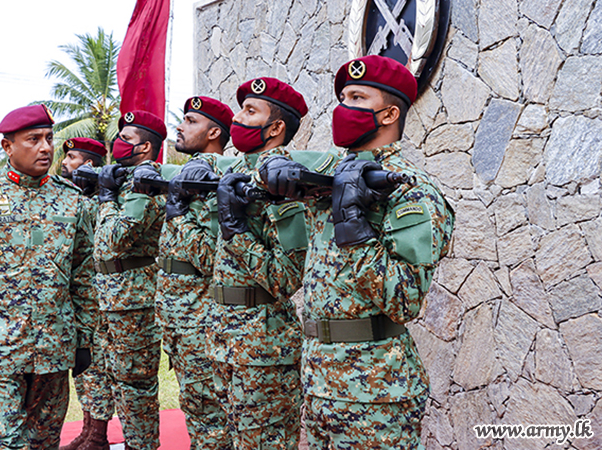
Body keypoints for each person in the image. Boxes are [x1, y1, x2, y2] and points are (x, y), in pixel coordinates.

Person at [259, 55, 454, 449]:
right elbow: (271, 165)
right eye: (342, 96)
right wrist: (271, 163)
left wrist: (355, 227)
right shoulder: (328, 179)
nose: (342, 108)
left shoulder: (410, 191)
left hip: (376, 390)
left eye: (357, 97)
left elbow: (404, 301)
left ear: (388, 114)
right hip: (316, 383)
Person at [0, 104, 97, 449]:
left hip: (54, 350)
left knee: (44, 443)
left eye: (49, 139)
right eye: (33, 139)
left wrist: (84, 340)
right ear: (8, 146)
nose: (46, 147)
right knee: (3, 444)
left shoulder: (72, 200)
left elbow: (84, 274)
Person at [210, 77, 314, 448]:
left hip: (263, 347)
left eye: (250, 111)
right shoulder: (231, 171)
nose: (237, 119)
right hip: (223, 338)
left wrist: (236, 233)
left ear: (275, 128)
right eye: (240, 108)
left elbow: (286, 277)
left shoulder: (283, 182)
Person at [156, 96, 235, 449]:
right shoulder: (188, 173)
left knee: (211, 414)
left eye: (190, 120)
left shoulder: (215, 178)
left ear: (213, 132)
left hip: (201, 318)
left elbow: (212, 258)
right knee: (197, 408)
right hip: (180, 317)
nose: (180, 126)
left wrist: (180, 213)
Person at [91, 110, 167, 450]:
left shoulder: (146, 184)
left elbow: (114, 238)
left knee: (135, 386)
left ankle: (142, 446)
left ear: (146, 147)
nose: (117, 144)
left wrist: (106, 199)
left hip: (133, 302)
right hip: (107, 297)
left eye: (126, 139)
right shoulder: (121, 181)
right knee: (111, 379)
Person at [59, 138, 114, 450]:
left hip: (102, 297)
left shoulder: (105, 199)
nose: (66, 163)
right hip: (77, 296)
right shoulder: (71, 198)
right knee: (83, 370)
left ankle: (98, 435)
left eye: (73, 157)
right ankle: (87, 430)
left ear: (91, 164)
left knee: (97, 366)